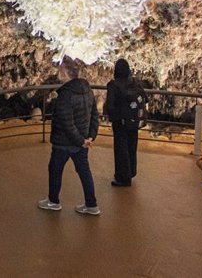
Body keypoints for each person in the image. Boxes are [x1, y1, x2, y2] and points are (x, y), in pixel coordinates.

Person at [38, 58, 100, 215]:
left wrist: (81, 141)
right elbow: (94, 115)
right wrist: (90, 136)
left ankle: (53, 201)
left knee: (55, 170)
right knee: (84, 171)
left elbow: (66, 122)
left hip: (64, 143)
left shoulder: (66, 95)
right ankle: (91, 205)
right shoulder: (88, 91)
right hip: (82, 142)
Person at [105, 58, 147, 187]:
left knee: (121, 149)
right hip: (133, 121)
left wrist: (111, 115)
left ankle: (123, 178)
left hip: (120, 122)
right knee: (131, 147)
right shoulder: (135, 82)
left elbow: (110, 106)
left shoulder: (114, 85)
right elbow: (145, 98)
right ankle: (131, 172)